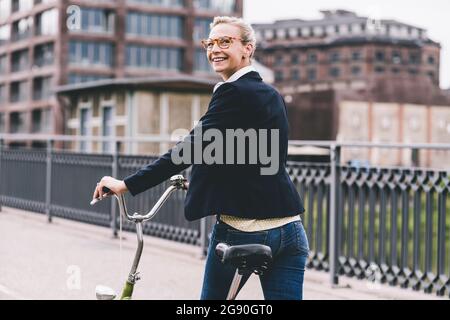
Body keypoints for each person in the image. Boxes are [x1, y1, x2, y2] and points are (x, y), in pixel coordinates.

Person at [92, 16, 309, 300]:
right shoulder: (272, 94)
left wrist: (127, 184)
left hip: (243, 231)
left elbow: (188, 150)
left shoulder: (232, 92)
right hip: (290, 231)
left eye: (225, 42)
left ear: (248, 48)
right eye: (210, 43)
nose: (214, 49)